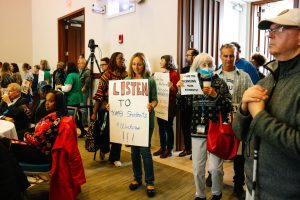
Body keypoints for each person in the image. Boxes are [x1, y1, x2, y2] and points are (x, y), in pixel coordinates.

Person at [233, 8, 300, 200]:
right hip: (254, 188)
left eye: (280, 28)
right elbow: (240, 133)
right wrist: (245, 109)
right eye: (270, 29)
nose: (270, 34)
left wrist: (260, 117)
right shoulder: (266, 81)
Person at [178, 53, 231, 200]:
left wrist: (215, 95)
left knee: (215, 168)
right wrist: (179, 91)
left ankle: (216, 193)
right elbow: (182, 106)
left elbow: (228, 106)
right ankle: (200, 194)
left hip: (215, 131)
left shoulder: (220, 83)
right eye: (203, 65)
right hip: (197, 129)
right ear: (197, 67)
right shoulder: (191, 82)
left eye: (209, 64)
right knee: (197, 169)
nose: (207, 67)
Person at [216, 43, 253, 199]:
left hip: (238, 120)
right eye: (225, 55)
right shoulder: (214, 76)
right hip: (219, 121)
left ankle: (238, 184)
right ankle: (214, 175)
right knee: (217, 149)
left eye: (232, 55)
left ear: (236, 56)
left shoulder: (244, 76)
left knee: (239, 155)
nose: (229, 59)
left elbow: (251, 96)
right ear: (220, 56)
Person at [0, 90, 67, 164]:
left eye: (51, 101)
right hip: (38, 146)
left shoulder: (54, 118)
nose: (46, 104)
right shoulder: (53, 114)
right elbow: (33, 120)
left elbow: (36, 140)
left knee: (3, 143)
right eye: (46, 100)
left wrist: (26, 134)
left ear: (58, 103)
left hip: (39, 154)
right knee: (5, 140)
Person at [126, 52, 157, 197]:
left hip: (145, 121)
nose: (136, 67)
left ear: (144, 65)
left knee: (145, 152)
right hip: (132, 121)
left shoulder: (150, 80)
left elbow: (155, 99)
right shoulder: (126, 80)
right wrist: (111, 106)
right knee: (134, 152)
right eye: (134, 64)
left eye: (139, 64)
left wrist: (152, 104)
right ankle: (137, 178)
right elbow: (121, 101)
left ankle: (150, 181)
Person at [91, 52, 127, 167]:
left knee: (118, 133)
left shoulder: (126, 75)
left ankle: (115, 157)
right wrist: (94, 113)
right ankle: (103, 148)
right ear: (113, 60)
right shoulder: (106, 75)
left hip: (121, 108)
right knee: (106, 132)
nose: (122, 60)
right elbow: (99, 94)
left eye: (123, 58)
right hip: (106, 107)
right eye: (120, 58)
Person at [153, 55, 179, 158]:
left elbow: (177, 90)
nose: (160, 62)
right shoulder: (161, 75)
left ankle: (169, 149)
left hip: (170, 104)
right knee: (161, 127)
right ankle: (162, 147)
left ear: (168, 62)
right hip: (161, 104)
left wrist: (171, 87)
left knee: (168, 127)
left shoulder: (174, 74)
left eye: (162, 60)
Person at [178, 48, 199, 158]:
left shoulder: (200, 70)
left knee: (195, 128)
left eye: (188, 55)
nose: (186, 57)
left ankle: (195, 151)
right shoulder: (184, 69)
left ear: (194, 57)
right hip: (185, 103)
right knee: (185, 127)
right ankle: (187, 148)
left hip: (196, 105)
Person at [56, 62, 86, 137]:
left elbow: (67, 89)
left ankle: (70, 133)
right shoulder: (76, 75)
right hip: (77, 98)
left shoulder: (70, 75)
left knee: (71, 117)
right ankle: (82, 130)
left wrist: (60, 86)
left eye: (66, 67)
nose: (65, 68)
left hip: (71, 99)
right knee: (76, 116)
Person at [78, 56, 91, 127]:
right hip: (79, 92)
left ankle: (84, 123)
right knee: (80, 107)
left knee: (83, 107)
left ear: (84, 63)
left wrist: (81, 91)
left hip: (84, 92)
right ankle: (81, 122)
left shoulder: (87, 71)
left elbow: (87, 84)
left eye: (79, 63)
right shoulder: (80, 70)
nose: (78, 64)